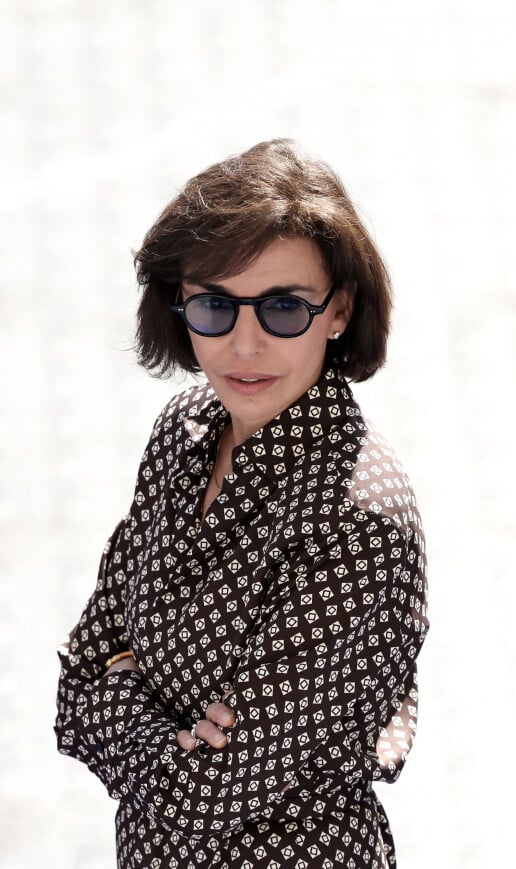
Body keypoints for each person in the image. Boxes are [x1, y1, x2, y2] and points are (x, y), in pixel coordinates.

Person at [54, 138, 429, 868]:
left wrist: (127, 695)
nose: (245, 343)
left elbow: (211, 793)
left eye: (284, 307)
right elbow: (77, 683)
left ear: (339, 310)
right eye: (216, 306)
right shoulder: (184, 431)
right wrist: (159, 732)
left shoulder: (357, 516)